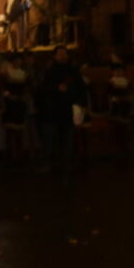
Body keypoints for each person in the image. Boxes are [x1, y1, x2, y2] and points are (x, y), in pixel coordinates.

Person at [38, 46, 85, 174]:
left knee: (68, 137)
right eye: (60, 54)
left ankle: (67, 162)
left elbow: (81, 88)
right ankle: (48, 162)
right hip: (52, 109)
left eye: (64, 54)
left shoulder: (73, 71)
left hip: (69, 108)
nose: (63, 56)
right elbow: (43, 89)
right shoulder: (49, 71)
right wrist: (56, 88)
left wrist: (79, 104)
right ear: (55, 56)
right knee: (50, 138)